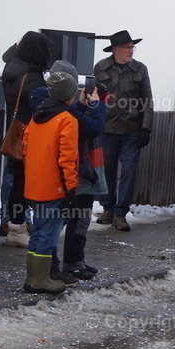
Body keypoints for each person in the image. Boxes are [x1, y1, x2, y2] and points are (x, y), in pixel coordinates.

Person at [45, 61, 107, 282]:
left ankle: (73, 262)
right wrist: (97, 104)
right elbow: (93, 127)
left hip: (75, 173)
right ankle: (65, 265)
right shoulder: (64, 112)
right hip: (75, 175)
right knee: (71, 220)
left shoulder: (60, 109)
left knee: (77, 219)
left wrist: (82, 105)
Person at [21, 69, 79, 294]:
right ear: (70, 96)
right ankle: (40, 280)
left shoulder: (36, 118)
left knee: (38, 231)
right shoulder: (67, 120)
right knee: (49, 233)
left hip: (35, 184)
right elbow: (68, 159)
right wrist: (71, 187)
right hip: (54, 187)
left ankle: (32, 277)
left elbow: (26, 150)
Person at [94, 30, 153, 232]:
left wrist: (146, 127)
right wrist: (92, 120)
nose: (131, 51)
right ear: (115, 49)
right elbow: (94, 97)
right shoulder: (101, 67)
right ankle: (108, 208)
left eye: (132, 47)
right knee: (106, 169)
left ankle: (120, 214)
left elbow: (147, 100)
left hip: (132, 129)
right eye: (128, 47)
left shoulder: (140, 69)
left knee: (128, 170)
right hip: (107, 128)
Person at [0, 31, 54, 248]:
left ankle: (13, 225)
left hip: (16, 133)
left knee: (16, 183)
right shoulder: (31, 76)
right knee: (23, 185)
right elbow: (40, 108)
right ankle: (18, 227)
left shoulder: (12, 70)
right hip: (29, 136)